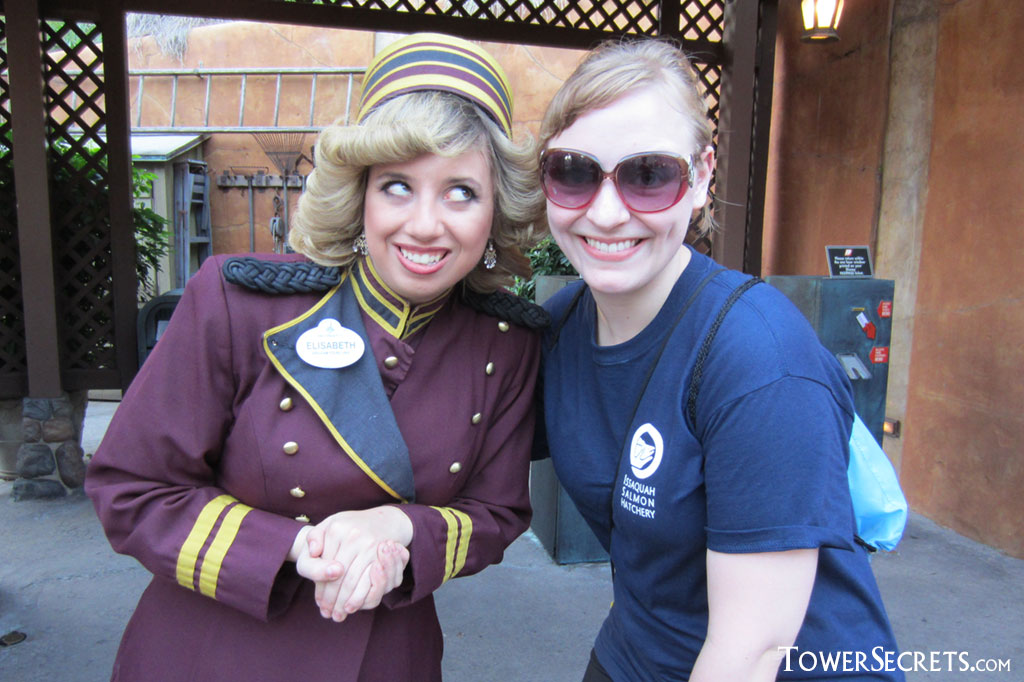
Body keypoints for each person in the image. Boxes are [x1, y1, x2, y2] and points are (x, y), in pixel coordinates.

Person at [86, 33, 546, 682]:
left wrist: (399, 527)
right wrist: (300, 548)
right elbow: (132, 489)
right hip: (211, 651)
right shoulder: (238, 302)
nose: (424, 223)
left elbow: (496, 515)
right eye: (397, 186)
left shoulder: (506, 343)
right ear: (359, 195)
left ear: (496, 209)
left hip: (387, 657)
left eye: (461, 192)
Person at [535, 39, 904, 681]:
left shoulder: (758, 356)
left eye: (648, 176)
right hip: (637, 649)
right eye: (574, 172)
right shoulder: (563, 328)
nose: (605, 211)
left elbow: (752, 649)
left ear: (702, 177)